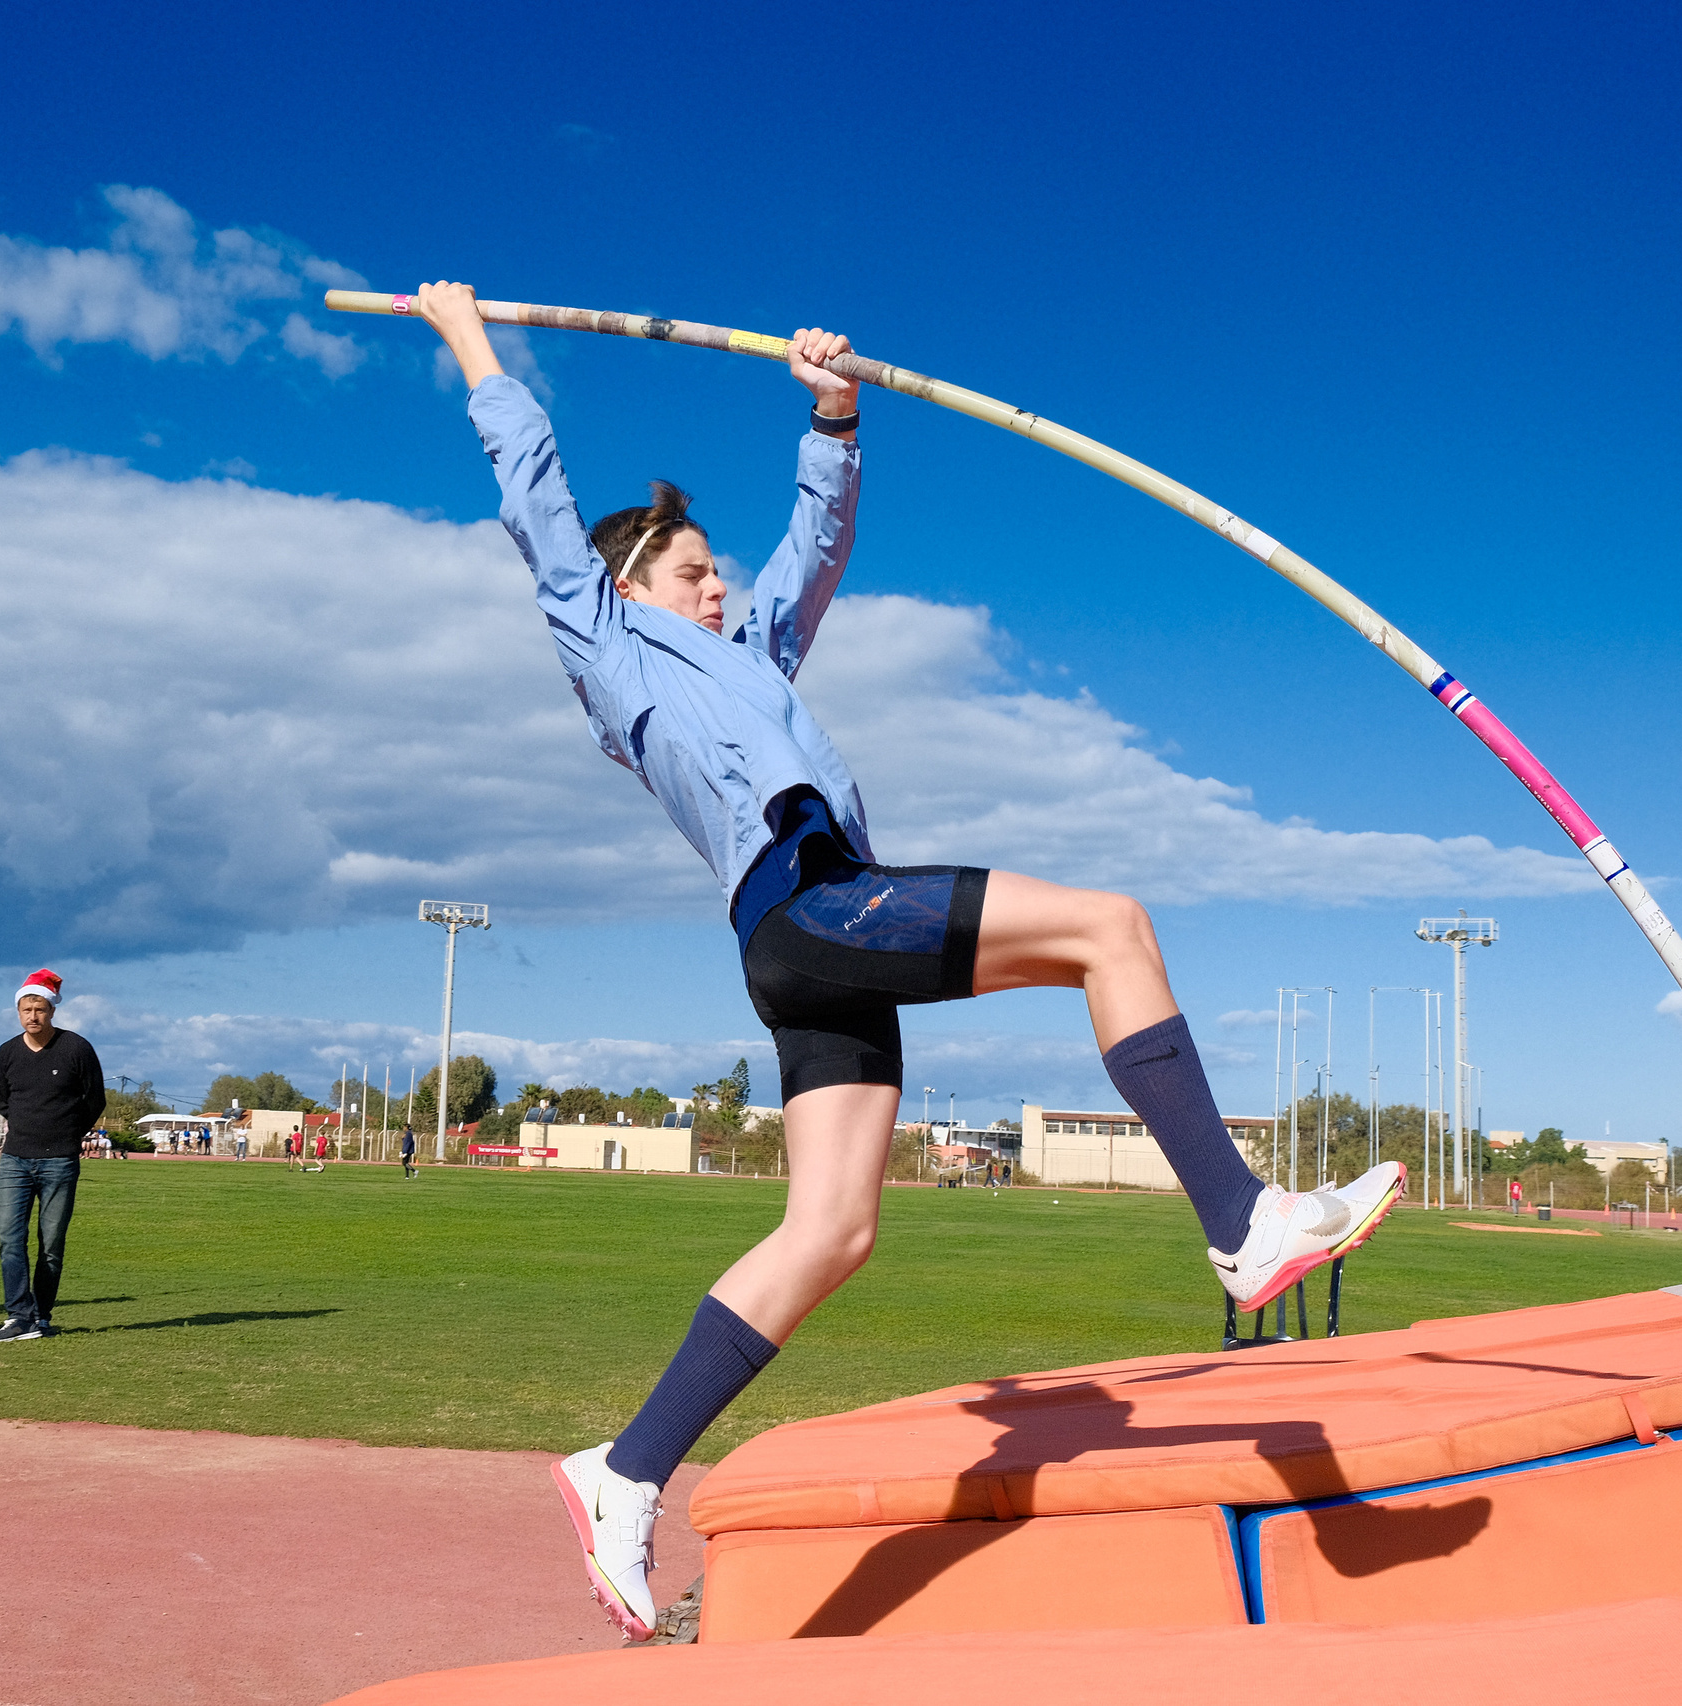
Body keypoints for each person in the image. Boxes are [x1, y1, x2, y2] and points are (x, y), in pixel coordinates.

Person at [415, 281, 1406, 1639]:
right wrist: (471, 340)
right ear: (633, 586)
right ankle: (1241, 1223)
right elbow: (534, 496)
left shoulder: (748, 652)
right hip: (813, 901)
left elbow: (813, 554)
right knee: (1110, 926)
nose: (720, 582)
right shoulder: (610, 646)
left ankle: (624, 1469)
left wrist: (834, 412)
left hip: (810, 947)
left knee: (833, 1230)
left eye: (716, 568)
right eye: (695, 568)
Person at [0, 969, 105, 1343]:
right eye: (26, 1009)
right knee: (10, 1239)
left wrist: (68, 1134)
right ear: (18, 1011)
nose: (33, 1016)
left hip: (60, 1161)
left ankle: (41, 1315)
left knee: (51, 1244)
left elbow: (95, 1100)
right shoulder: (7, 1052)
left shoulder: (77, 1049)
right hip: (15, 1160)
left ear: (51, 1009)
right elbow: (3, 1100)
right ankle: (17, 1316)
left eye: (39, 1008)